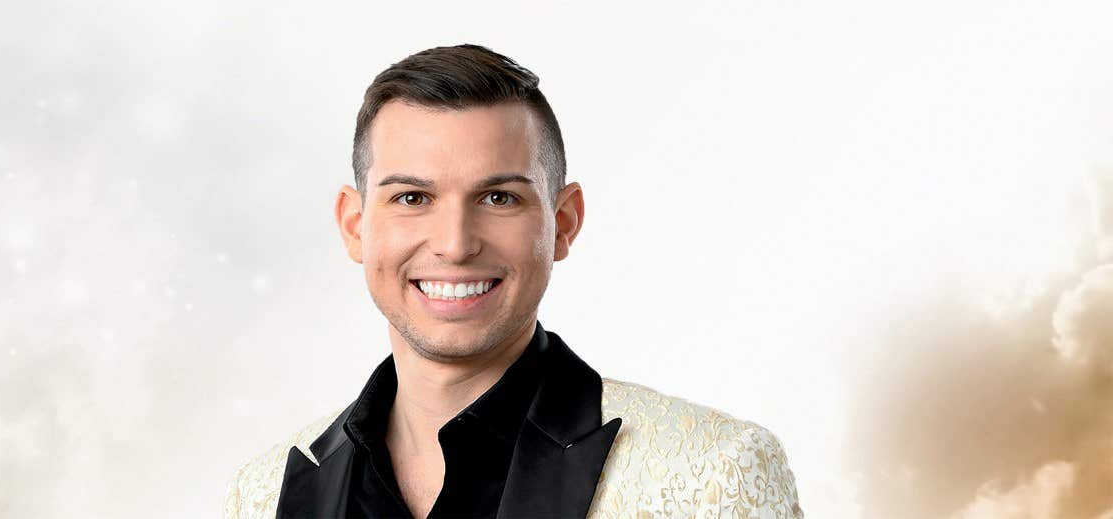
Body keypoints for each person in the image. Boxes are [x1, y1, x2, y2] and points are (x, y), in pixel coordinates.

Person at [224, 44, 803, 519]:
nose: (454, 243)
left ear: (563, 223)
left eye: (498, 197)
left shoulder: (717, 475)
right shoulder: (261, 496)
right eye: (412, 197)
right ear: (355, 226)